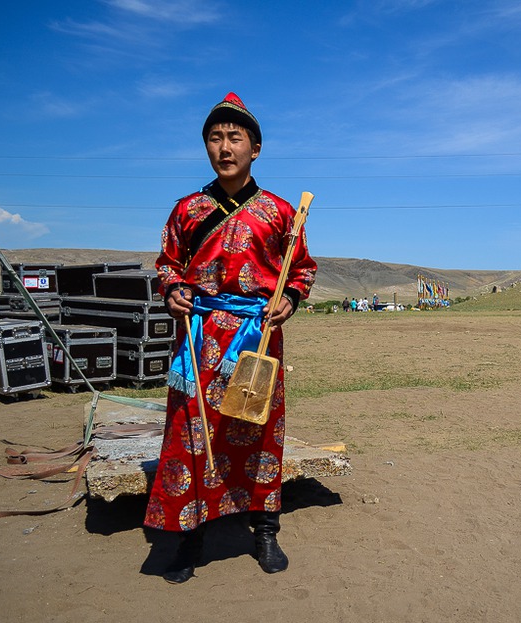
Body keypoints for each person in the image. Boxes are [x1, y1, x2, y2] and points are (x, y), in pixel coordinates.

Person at [146, 92, 317, 584]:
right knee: (190, 434)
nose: (224, 147)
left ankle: (264, 529)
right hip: (199, 338)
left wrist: (291, 299)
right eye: (215, 138)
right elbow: (168, 264)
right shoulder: (188, 209)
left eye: (234, 138)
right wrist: (174, 288)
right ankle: (188, 536)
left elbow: (301, 269)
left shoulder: (283, 213)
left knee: (259, 432)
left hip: (256, 339)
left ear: (255, 148)